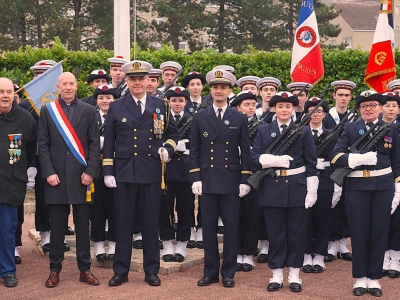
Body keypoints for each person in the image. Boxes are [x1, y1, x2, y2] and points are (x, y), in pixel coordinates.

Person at [102, 60, 179, 287]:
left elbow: (172, 133)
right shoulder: (117, 106)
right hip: (125, 173)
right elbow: (109, 143)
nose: (137, 83)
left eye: (141, 79)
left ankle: (151, 270)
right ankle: (121, 270)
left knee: (150, 224)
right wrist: (108, 171)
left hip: (152, 172)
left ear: (148, 81)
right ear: (127, 81)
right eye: (132, 79)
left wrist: (169, 149)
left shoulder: (160, 105)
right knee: (123, 223)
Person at [330, 91, 400, 297]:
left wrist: (398, 186)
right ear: (360, 109)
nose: (368, 109)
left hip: (383, 186)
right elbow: (335, 155)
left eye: (372, 105)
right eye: (364, 106)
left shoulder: (390, 129)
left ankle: (374, 277)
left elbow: (396, 161)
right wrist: (355, 160)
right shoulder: (351, 128)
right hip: (357, 186)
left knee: (380, 231)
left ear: (380, 108)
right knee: (359, 232)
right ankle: (361, 277)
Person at [250, 92, 318, 293]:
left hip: (297, 188)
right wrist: (272, 161)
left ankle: (295, 274)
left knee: (297, 234)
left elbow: (311, 163)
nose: (284, 110)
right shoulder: (264, 130)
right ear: (274, 109)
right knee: (276, 234)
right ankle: (277, 273)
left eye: (288, 107)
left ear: (293, 109)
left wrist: (311, 190)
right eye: (280, 106)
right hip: (272, 187)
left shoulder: (303, 132)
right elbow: (253, 157)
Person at [38, 72, 101, 288]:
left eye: (71, 83)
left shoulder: (89, 110)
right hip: (56, 179)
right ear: (57, 86)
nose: (67, 87)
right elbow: (43, 144)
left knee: (83, 227)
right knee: (57, 228)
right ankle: (54, 270)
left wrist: (91, 171)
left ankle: (85, 269)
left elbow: (94, 144)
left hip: (82, 178)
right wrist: (48, 172)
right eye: (63, 84)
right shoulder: (48, 111)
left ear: (76, 86)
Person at [190, 68, 252, 288]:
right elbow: (195, 150)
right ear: (211, 89)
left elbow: (245, 151)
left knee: (231, 227)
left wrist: (245, 180)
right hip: (207, 179)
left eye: (223, 87)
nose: (219, 91)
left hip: (230, 180)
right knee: (208, 227)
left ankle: (228, 272)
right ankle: (210, 272)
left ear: (229, 90)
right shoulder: (200, 117)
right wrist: (195, 177)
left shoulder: (239, 117)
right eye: (215, 87)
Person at [0, 77, 36, 287]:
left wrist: (19, 172)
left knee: (7, 229)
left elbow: (29, 152)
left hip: (11, 184)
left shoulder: (25, 119)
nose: (5, 95)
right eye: (1, 91)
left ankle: (7, 271)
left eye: (9, 92)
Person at [301, 98, 341, 274]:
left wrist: (337, 184)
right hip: (305, 177)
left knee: (323, 217)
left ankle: (319, 254)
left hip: (325, 178)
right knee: (305, 217)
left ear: (325, 114)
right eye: (311, 111)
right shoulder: (300, 133)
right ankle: (306, 252)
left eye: (318, 111)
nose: (315, 114)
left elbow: (336, 158)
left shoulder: (332, 134)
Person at [323, 80, 357, 263]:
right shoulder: (326, 116)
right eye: (340, 94)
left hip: (350, 166)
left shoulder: (355, 117)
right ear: (333, 96)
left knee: (346, 205)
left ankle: (343, 244)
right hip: (330, 166)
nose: (343, 98)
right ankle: (330, 244)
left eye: (347, 95)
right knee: (332, 205)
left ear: (351, 97)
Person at [159, 86, 193, 262]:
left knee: (185, 208)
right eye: (173, 101)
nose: (177, 104)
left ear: (186, 102)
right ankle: (166, 243)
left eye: (180, 101)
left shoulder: (192, 120)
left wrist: (186, 147)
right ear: (168, 102)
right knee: (164, 207)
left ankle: (182, 243)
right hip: (166, 169)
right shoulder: (160, 119)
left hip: (185, 170)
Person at [230, 91, 259, 272]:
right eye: (246, 105)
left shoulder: (262, 126)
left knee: (251, 214)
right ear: (238, 107)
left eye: (253, 105)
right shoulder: (231, 124)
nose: (250, 108)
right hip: (232, 173)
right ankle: (235, 252)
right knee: (233, 215)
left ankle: (247, 253)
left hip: (253, 174)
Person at [90, 84, 118, 262]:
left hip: (116, 167)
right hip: (95, 168)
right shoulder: (90, 116)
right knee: (96, 207)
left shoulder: (119, 115)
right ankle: (99, 244)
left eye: (108, 97)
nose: (105, 101)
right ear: (96, 100)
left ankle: (114, 244)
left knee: (115, 207)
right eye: (101, 98)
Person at [181, 71, 207, 248]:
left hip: (206, 155)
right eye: (192, 85)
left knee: (205, 196)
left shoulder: (209, 103)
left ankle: (203, 228)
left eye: (198, 84)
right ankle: (190, 228)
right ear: (188, 88)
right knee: (187, 197)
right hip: (185, 155)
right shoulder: (182, 103)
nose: (195, 87)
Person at [381, 92, 400, 278]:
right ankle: (383, 256)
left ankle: (395, 258)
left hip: (398, 179)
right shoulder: (375, 128)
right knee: (382, 220)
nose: (391, 109)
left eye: (394, 105)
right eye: (387, 105)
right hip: (384, 180)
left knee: (397, 222)